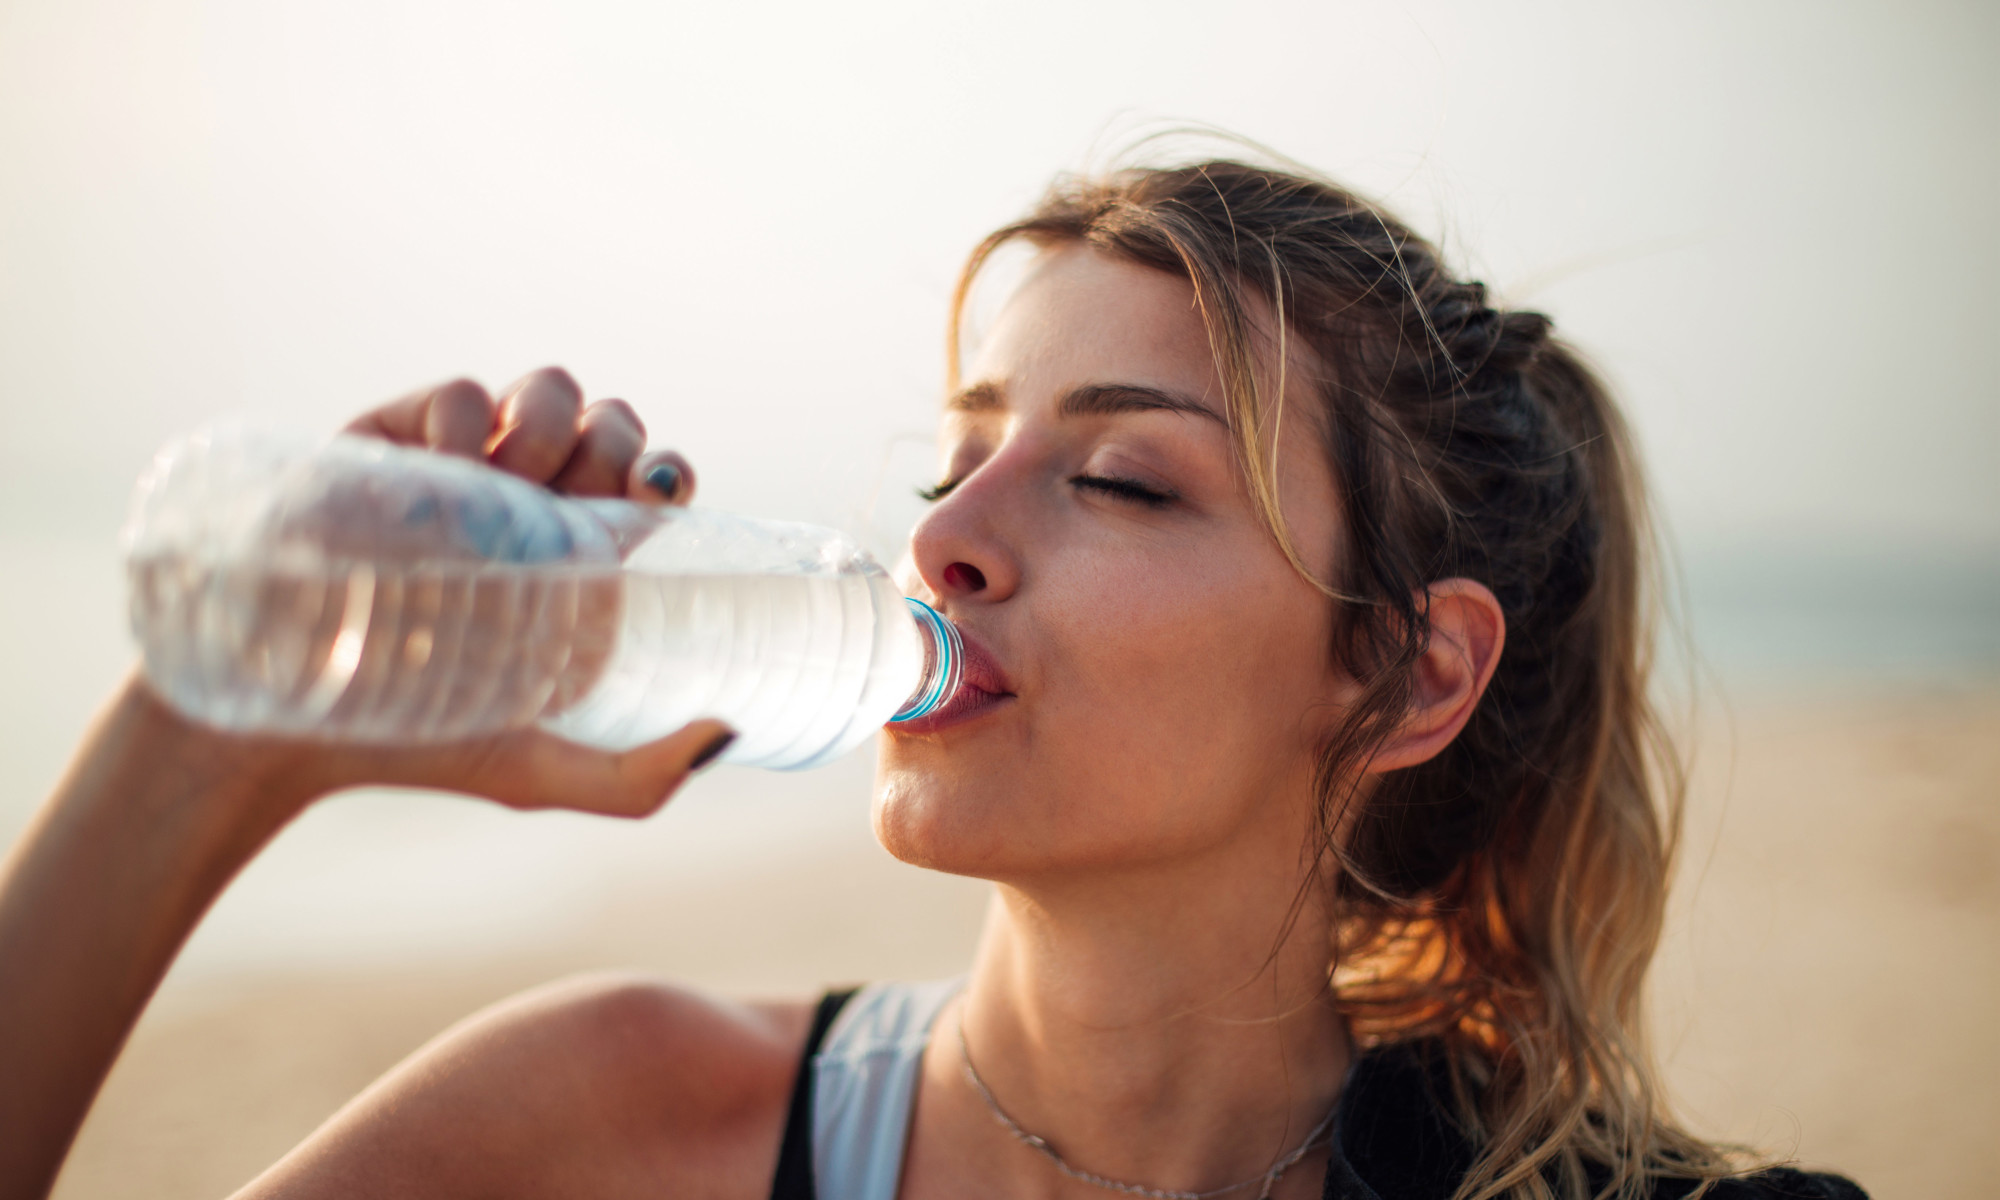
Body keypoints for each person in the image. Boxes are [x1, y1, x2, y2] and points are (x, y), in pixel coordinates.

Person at [0, 156, 1865, 1200]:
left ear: (1398, 670)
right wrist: (204, 757)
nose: (946, 537)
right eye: (949, 459)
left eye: (1121, 477)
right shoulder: (613, 1125)